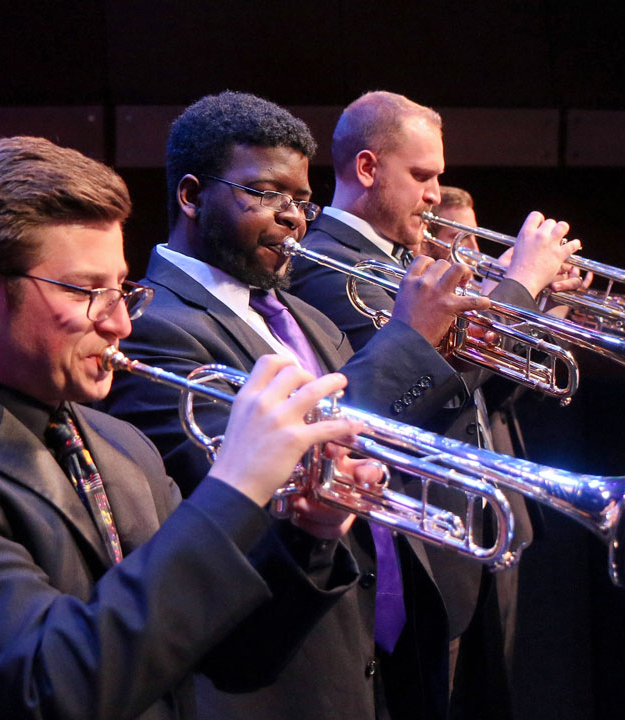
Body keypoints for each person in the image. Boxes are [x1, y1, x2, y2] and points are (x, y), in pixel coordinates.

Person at [0, 136, 373, 720]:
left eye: (120, 289)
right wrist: (235, 486)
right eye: (87, 291)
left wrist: (309, 534)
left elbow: (232, 659)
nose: (120, 321)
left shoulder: (123, 446)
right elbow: (58, 687)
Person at [98, 92, 494, 720]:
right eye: (265, 194)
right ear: (192, 196)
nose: (294, 218)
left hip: (386, 652)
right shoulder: (152, 326)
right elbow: (271, 473)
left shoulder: (305, 317)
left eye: (302, 202)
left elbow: (382, 435)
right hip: (283, 672)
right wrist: (409, 339)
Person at [287, 91, 580, 720]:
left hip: (464, 537)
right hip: (408, 555)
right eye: (422, 176)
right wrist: (519, 286)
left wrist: (531, 301)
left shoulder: (396, 262)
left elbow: (461, 375)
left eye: (437, 176)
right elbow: (401, 392)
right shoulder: (328, 267)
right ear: (366, 169)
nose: (433, 193)